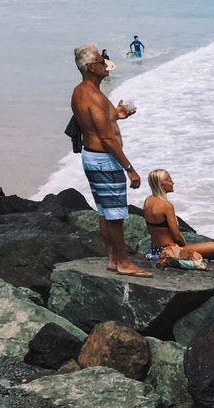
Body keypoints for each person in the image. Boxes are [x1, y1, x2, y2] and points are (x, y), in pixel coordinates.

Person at [70, 44, 150, 277]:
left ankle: (114, 258)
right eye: (100, 61)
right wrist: (129, 168)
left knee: (105, 211)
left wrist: (117, 114)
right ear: (90, 68)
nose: (106, 63)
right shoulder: (92, 95)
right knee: (115, 215)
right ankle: (124, 262)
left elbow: (96, 123)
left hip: (93, 158)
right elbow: (105, 136)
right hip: (104, 160)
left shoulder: (81, 91)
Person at [142, 169, 214, 264]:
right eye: (169, 180)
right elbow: (177, 237)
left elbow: (150, 230)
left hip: (155, 249)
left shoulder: (147, 200)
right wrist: (185, 248)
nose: (173, 182)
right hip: (170, 250)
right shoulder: (166, 205)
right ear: (162, 185)